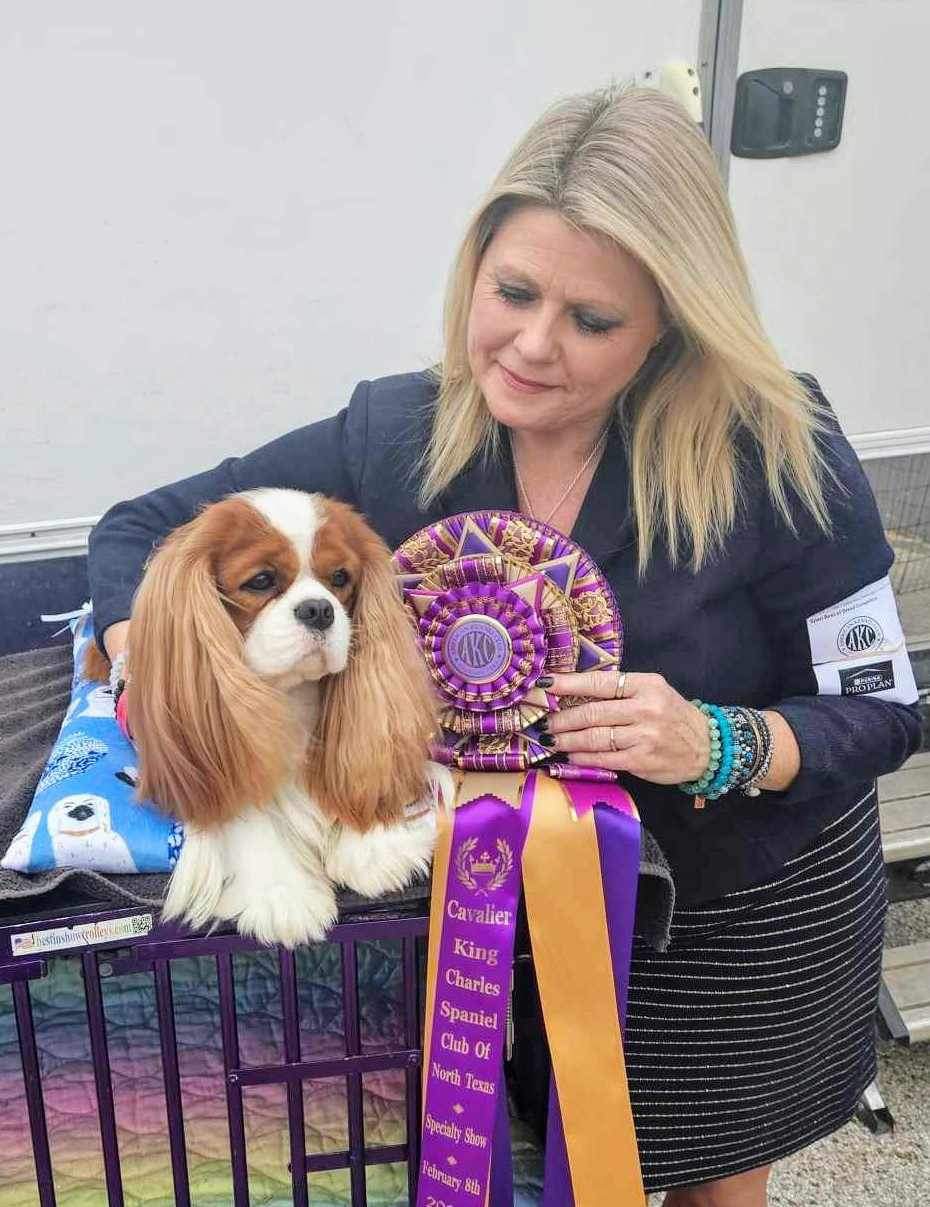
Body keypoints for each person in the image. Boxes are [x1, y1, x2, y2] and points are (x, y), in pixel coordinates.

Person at [87, 85, 921, 1205]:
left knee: (705, 1187)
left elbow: (881, 706)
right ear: (472, 271)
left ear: (671, 319)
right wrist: (160, 651)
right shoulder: (394, 433)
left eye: (592, 320)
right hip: (485, 910)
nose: (532, 346)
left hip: (739, 909)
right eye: (513, 292)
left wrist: (718, 740)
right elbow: (140, 530)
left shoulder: (780, 448)